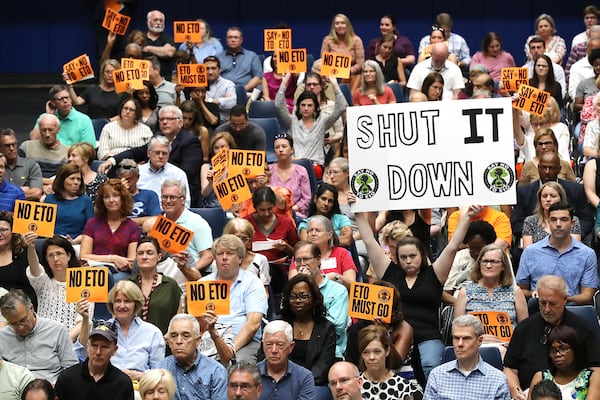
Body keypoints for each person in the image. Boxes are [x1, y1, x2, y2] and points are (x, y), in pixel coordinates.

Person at [354, 203, 479, 379]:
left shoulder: (434, 274)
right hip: (395, 335)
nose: (408, 261)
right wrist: (358, 212)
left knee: (432, 370)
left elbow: (452, 246)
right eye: (403, 257)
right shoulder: (389, 272)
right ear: (397, 257)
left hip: (428, 336)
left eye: (412, 256)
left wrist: (467, 217)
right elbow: (368, 241)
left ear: (422, 255)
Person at [504, 275, 600, 400]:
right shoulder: (524, 328)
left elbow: (596, 369)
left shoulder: (585, 329)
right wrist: (516, 392)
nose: (547, 309)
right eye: (542, 303)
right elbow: (510, 368)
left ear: (565, 299)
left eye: (552, 303)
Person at [98, 105, 203, 207]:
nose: (165, 122)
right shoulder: (158, 136)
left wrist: (156, 162)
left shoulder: (190, 141)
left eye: (169, 119)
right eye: (162, 119)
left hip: (177, 194)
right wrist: (112, 160)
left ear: (180, 122)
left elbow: (188, 171)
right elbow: (137, 152)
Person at [77, 280, 165, 380]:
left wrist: (139, 376)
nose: (122, 306)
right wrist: (85, 318)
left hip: (141, 387)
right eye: (118, 301)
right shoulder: (101, 330)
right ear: (112, 304)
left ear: (136, 304)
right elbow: (82, 353)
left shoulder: (152, 332)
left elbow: (159, 372)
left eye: (127, 301)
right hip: (107, 385)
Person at [200, 235, 268, 363]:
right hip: (206, 341)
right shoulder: (203, 283)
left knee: (240, 368)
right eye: (220, 254)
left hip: (241, 343)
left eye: (230, 253)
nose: (224, 257)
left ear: (240, 258)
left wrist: (230, 350)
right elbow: (194, 322)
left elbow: (253, 324)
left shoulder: (253, 283)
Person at [517, 202, 597, 306]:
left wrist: (561, 299)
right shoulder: (531, 252)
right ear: (548, 222)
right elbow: (520, 290)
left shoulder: (587, 254)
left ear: (572, 223)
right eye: (554, 220)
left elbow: (587, 295)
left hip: (572, 309)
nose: (558, 224)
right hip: (538, 308)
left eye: (564, 219)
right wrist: (534, 294)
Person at [454, 244, 528, 343]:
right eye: (485, 261)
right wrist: (479, 339)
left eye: (494, 262)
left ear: (503, 266)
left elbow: (524, 330)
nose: (488, 265)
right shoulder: (465, 292)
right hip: (475, 347)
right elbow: (457, 330)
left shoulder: (515, 291)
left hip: (508, 349)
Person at [0, 289, 78, 384]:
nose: (20, 327)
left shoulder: (57, 330)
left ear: (31, 309)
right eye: (13, 324)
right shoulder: (2, 336)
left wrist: (59, 388)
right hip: (14, 389)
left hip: (50, 388)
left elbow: (72, 369)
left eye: (23, 320)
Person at [424, 315, 510, 400]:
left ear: (480, 341)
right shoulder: (437, 375)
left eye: (466, 338)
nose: (460, 344)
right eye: (456, 338)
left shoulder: (497, 379)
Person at [511, 151, 595, 238]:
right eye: (544, 168)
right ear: (538, 168)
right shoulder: (524, 192)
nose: (547, 172)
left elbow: (586, 220)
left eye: (551, 168)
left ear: (559, 169)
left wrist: (570, 236)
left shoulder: (576, 190)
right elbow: (516, 223)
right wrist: (539, 237)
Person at [345, 280, 414, 380]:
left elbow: (396, 364)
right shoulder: (357, 329)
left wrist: (384, 334)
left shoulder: (403, 328)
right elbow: (352, 362)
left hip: (401, 377)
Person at [280, 274, 336, 398]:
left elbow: (322, 367)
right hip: (281, 381)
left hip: (314, 384)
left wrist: (300, 384)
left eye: (304, 296)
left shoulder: (326, 328)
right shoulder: (279, 325)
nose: (298, 301)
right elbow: (265, 357)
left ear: (314, 298)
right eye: (293, 297)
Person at [28, 236, 92, 341]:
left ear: (69, 255)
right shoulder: (43, 282)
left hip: (72, 343)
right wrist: (31, 247)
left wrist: (63, 342)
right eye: (51, 255)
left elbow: (84, 322)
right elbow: (34, 269)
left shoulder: (84, 283)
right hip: (42, 340)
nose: (55, 259)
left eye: (59, 254)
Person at [293, 241, 349, 360]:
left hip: (330, 349)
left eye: (306, 259)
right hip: (297, 346)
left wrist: (304, 322)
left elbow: (337, 326)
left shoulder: (338, 291)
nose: (302, 264)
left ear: (318, 260)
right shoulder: (292, 290)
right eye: (298, 260)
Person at [276, 73, 347, 166]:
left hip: (315, 166)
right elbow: (278, 105)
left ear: (315, 108)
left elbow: (342, 106)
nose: (306, 108)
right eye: (303, 105)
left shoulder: (323, 122)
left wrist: (335, 85)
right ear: (298, 107)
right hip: (295, 165)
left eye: (309, 105)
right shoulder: (292, 121)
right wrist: (284, 82)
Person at [54, 319, 134, 400]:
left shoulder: (123, 384)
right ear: (87, 346)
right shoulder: (67, 378)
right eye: (94, 345)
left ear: (114, 350)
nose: (98, 352)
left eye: (104, 347)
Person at [79, 179, 140, 281]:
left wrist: (120, 263)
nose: (111, 200)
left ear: (123, 198)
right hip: (94, 271)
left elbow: (130, 262)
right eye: (106, 197)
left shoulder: (132, 227)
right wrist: (112, 258)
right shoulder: (92, 223)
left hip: (121, 273)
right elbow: (84, 256)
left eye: (115, 195)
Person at [159, 314, 228, 400]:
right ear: (168, 341)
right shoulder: (161, 368)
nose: (179, 341)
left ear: (198, 340)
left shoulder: (216, 372)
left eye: (186, 336)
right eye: (173, 336)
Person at [126, 236, 182, 334]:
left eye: (149, 253)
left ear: (159, 257)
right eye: (140, 253)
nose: (144, 257)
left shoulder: (170, 285)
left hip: (164, 342)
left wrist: (168, 337)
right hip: (131, 343)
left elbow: (179, 319)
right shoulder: (127, 285)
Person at [528, 325, 600, 400]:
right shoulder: (541, 377)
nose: (557, 354)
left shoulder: (592, 377)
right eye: (553, 350)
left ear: (575, 349)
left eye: (563, 349)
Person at [160, 179, 214, 274]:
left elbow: (208, 256)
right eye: (165, 197)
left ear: (183, 200)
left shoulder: (197, 222)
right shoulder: (158, 222)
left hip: (189, 275)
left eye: (172, 197)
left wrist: (190, 271)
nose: (168, 201)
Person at [357, 324, 423, 400]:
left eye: (377, 352)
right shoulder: (354, 385)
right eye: (366, 352)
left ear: (387, 351)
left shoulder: (403, 387)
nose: (371, 357)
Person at [292, 216, 357, 289]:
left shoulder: (342, 253)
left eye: (317, 230)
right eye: (310, 231)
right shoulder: (300, 254)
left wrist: (336, 276)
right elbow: (292, 283)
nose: (313, 233)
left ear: (329, 235)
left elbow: (353, 286)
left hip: (337, 296)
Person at [258, 320, 316, 400]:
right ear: (263, 346)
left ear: (291, 347)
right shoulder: (250, 374)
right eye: (269, 344)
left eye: (280, 345)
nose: (274, 350)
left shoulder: (304, 377)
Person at [29, 85, 95, 147]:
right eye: (60, 99)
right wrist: (49, 116)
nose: (65, 101)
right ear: (53, 103)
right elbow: (33, 139)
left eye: (67, 97)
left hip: (72, 157)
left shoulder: (84, 120)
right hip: (49, 156)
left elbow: (88, 148)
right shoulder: (44, 118)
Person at [244, 186, 298, 262]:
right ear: (255, 207)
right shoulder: (245, 223)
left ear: (274, 205)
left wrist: (287, 248)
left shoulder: (286, 222)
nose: (266, 213)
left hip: (280, 269)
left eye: (269, 209)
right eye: (262, 210)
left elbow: (298, 252)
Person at [136, 136, 191, 208]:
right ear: (148, 153)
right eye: (157, 153)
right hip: (142, 214)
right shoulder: (137, 172)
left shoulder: (178, 174)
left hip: (168, 216)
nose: (161, 156)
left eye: (164, 153)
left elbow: (186, 204)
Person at [522, 182, 581, 247]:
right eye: (544, 196)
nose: (548, 199)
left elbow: (576, 249)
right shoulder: (530, 221)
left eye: (553, 196)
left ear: (561, 198)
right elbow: (528, 252)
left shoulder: (571, 219)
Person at [268, 134, 311, 219]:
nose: (280, 150)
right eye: (277, 147)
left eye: (284, 146)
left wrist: (290, 210)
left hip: (295, 214)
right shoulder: (268, 170)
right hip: (270, 214)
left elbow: (306, 199)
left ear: (292, 150)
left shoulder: (301, 171)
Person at [222, 218, 271, 294]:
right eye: (236, 238)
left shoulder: (260, 260)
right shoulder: (219, 261)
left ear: (250, 241)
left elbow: (265, 292)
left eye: (244, 239)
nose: (240, 243)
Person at [298, 184, 353, 248]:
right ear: (315, 199)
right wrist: (335, 237)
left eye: (330, 201)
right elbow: (307, 244)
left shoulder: (342, 219)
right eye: (323, 199)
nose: (326, 204)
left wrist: (317, 240)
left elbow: (346, 240)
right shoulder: (305, 223)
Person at [0, 213, 38, 307]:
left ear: (13, 231)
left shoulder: (24, 252)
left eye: (3, 230)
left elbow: (36, 277)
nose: (0, 234)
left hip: (20, 306)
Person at [19, 113, 69, 182]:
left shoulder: (67, 152)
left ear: (58, 130)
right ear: (39, 130)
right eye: (44, 130)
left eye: (51, 130)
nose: (47, 134)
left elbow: (67, 179)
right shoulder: (26, 147)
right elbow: (18, 174)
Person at [321, 14, 365, 91]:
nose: (340, 25)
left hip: (352, 76)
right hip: (332, 76)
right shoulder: (327, 40)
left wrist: (347, 71)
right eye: (337, 23)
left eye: (343, 23)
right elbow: (323, 61)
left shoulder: (356, 40)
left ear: (347, 25)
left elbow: (360, 63)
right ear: (333, 26)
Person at [115, 159, 161, 226]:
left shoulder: (150, 195)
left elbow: (156, 220)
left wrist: (128, 222)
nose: (124, 183)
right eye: (120, 180)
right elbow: (112, 221)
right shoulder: (114, 197)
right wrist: (121, 193)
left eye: (128, 180)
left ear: (137, 178)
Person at [0, 129, 43, 201]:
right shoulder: (1, 169)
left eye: (14, 144)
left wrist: (6, 195)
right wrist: (24, 189)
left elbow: (36, 193)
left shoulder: (31, 165)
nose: (11, 148)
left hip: (24, 210)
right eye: (7, 146)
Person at [217, 27, 262, 92]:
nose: (233, 40)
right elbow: (214, 78)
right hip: (223, 92)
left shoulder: (252, 56)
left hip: (246, 91)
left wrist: (242, 90)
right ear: (226, 40)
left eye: (236, 37)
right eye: (230, 37)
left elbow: (258, 78)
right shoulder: (218, 57)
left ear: (241, 40)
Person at [447, 205, 512, 251]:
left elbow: (500, 245)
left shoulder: (500, 217)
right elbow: (456, 245)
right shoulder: (455, 217)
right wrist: (465, 217)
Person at [203, 55, 237, 124]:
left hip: (223, 122)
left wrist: (210, 101)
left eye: (213, 68)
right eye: (207, 69)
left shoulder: (228, 84)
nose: (210, 72)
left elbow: (232, 102)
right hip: (203, 121)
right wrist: (220, 100)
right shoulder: (199, 85)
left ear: (219, 69)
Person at [142, 10, 176, 80]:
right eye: (155, 20)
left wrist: (148, 48)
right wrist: (161, 50)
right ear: (148, 22)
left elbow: (169, 52)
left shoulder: (167, 38)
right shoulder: (141, 38)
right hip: (144, 80)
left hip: (164, 80)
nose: (158, 23)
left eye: (161, 20)